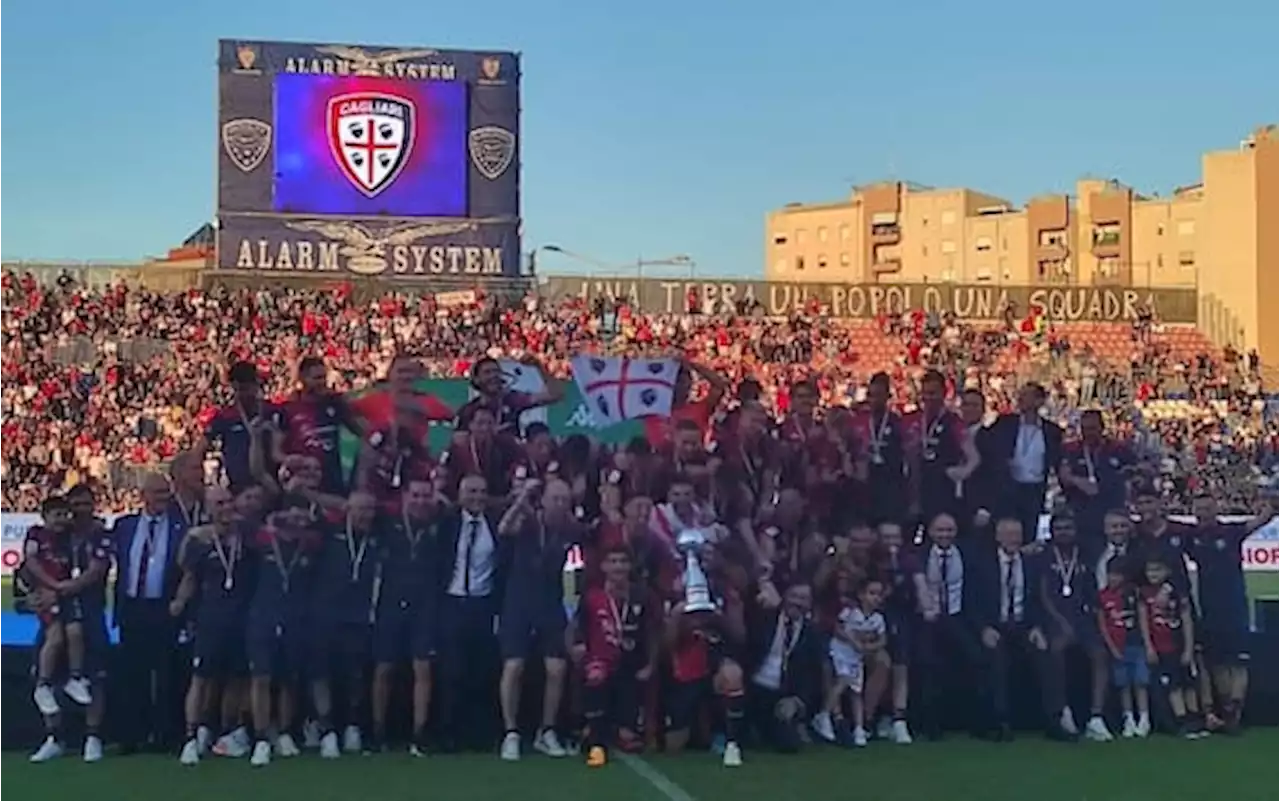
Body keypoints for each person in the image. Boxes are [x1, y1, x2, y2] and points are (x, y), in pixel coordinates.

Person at [495, 478, 580, 761]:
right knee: (514, 666)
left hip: (551, 601)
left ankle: (547, 730)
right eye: (555, 499)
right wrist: (523, 499)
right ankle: (511, 733)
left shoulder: (571, 529)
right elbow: (504, 528)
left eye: (565, 500)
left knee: (556, 669)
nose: (560, 505)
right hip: (519, 600)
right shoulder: (528, 521)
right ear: (543, 500)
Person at [112, 472, 189, 754]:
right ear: (143, 495)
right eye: (156, 493)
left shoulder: (181, 528)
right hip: (133, 607)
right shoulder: (124, 526)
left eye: (165, 493)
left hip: (164, 608)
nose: (162, 499)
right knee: (133, 675)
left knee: (167, 673)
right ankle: (132, 734)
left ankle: (166, 734)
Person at [176, 486, 253, 765]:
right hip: (210, 620)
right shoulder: (199, 539)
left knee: (236, 679)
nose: (226, 507)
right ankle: (191, 736)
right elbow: (187, 574)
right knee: (201, 678)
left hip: (241, 619)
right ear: (208, 508)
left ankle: (228, 731)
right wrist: (179, 603)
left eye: (229, 501)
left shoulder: (246, 534)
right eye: (219, 503)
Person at [573, 545, 658, 766]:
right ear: (604, 566)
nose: (618, 566)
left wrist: (650, 664)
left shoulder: (642, 595)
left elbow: (653, 632)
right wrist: (579, 649)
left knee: (630, 736)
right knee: (596, 675)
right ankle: (596, 740)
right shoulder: (592, 596)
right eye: (613, 561)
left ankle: (622, 729)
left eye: (622, 561)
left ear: (630, 566)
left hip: (631, 663)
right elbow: (579, 628)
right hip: (599, 660)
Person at [24, 496, 94, 715]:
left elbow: (92, 527)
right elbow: (30, 561)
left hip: (65, 593)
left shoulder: (68, 536)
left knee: (75, 632)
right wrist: (49, 585)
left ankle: (75, 678)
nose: (61, 520)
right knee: (55, 637)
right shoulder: (36, 534)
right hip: (47, 593)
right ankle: (43, 685)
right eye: (56, 515)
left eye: (65, 515)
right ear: (45, 517)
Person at [1138, 556, 1204, 738]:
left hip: (1179, 645)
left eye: (1157, 570)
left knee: (1188, 683)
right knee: (1173, 685)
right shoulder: (1144, 593)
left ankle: (1194, 718)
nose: (1153, 574)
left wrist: (1189, 648)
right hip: (1161, 648)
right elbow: (1143, 622)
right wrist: (1149, 647)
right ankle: (1181, 720)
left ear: (1167, 572)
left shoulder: (1177, 593)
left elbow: (1187, 620)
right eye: (1150, 571)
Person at [820, 577, 887, 747]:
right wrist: (853, 642)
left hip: (856, 658)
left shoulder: (878, 619)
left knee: (856, 692)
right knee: (842, 681)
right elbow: (838, 629)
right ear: (861, 595)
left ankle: (859, 728)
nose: (876, 598)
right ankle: (824, 714)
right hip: (841, 653)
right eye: (872, 593)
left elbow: (882, 640)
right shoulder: (850, 612)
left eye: (879, 594)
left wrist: (869, 647)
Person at [1097, 556, 1151, 738]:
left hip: (1136, 643)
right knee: (1123, 685)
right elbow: (1102, 625)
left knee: (1140, 682)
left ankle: (1144, 718)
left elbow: (1143, 617)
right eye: (1111, 575)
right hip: (1117, 646)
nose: (1114, 579)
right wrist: (1111, 647)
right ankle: (1128, 718)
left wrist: (1147, 643)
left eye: (1118, 575)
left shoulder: (1134, 593)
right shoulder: (1102, 596)